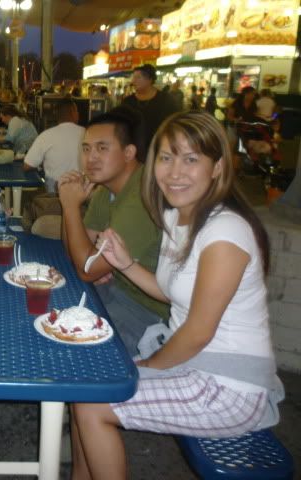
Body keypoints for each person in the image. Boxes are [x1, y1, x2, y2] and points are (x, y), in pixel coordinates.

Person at [70, 110, 284, 480]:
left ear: (217, 167)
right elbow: (171, 294)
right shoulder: (177, 218)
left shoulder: (225, 232)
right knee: (88, 386)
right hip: (193, 366)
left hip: (228, 386)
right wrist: (125, 265)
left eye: (191, 159)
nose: (175, 172)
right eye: (166, 158)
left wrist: (146, 368)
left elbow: (198, 331)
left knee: (93, 404)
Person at [58, 106, 169, 355]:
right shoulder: (107, 187)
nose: (91, 158)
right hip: (113, 290)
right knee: (49, 305)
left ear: (129, 153)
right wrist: (69, 207)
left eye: (102, 148)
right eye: (86, 149)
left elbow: (86, 269)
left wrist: (70, 206)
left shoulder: (142, 197)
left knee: (70, 349)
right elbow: (76, 253)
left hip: (145, 312)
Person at [24, 98, 85, 193]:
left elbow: (27, 165)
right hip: (84, 192)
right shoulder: (87, 133)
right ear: (73, 112)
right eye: (77, 111)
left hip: (54, 196)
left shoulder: (46, 135)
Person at [122, 65, 180, 142]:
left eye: (138, 77)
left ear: (149, 79)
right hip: (134, 147)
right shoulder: (128, 102)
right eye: (133, 77)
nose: (133, 81)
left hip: (159, 144)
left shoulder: (166, 100)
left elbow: (175, 123)